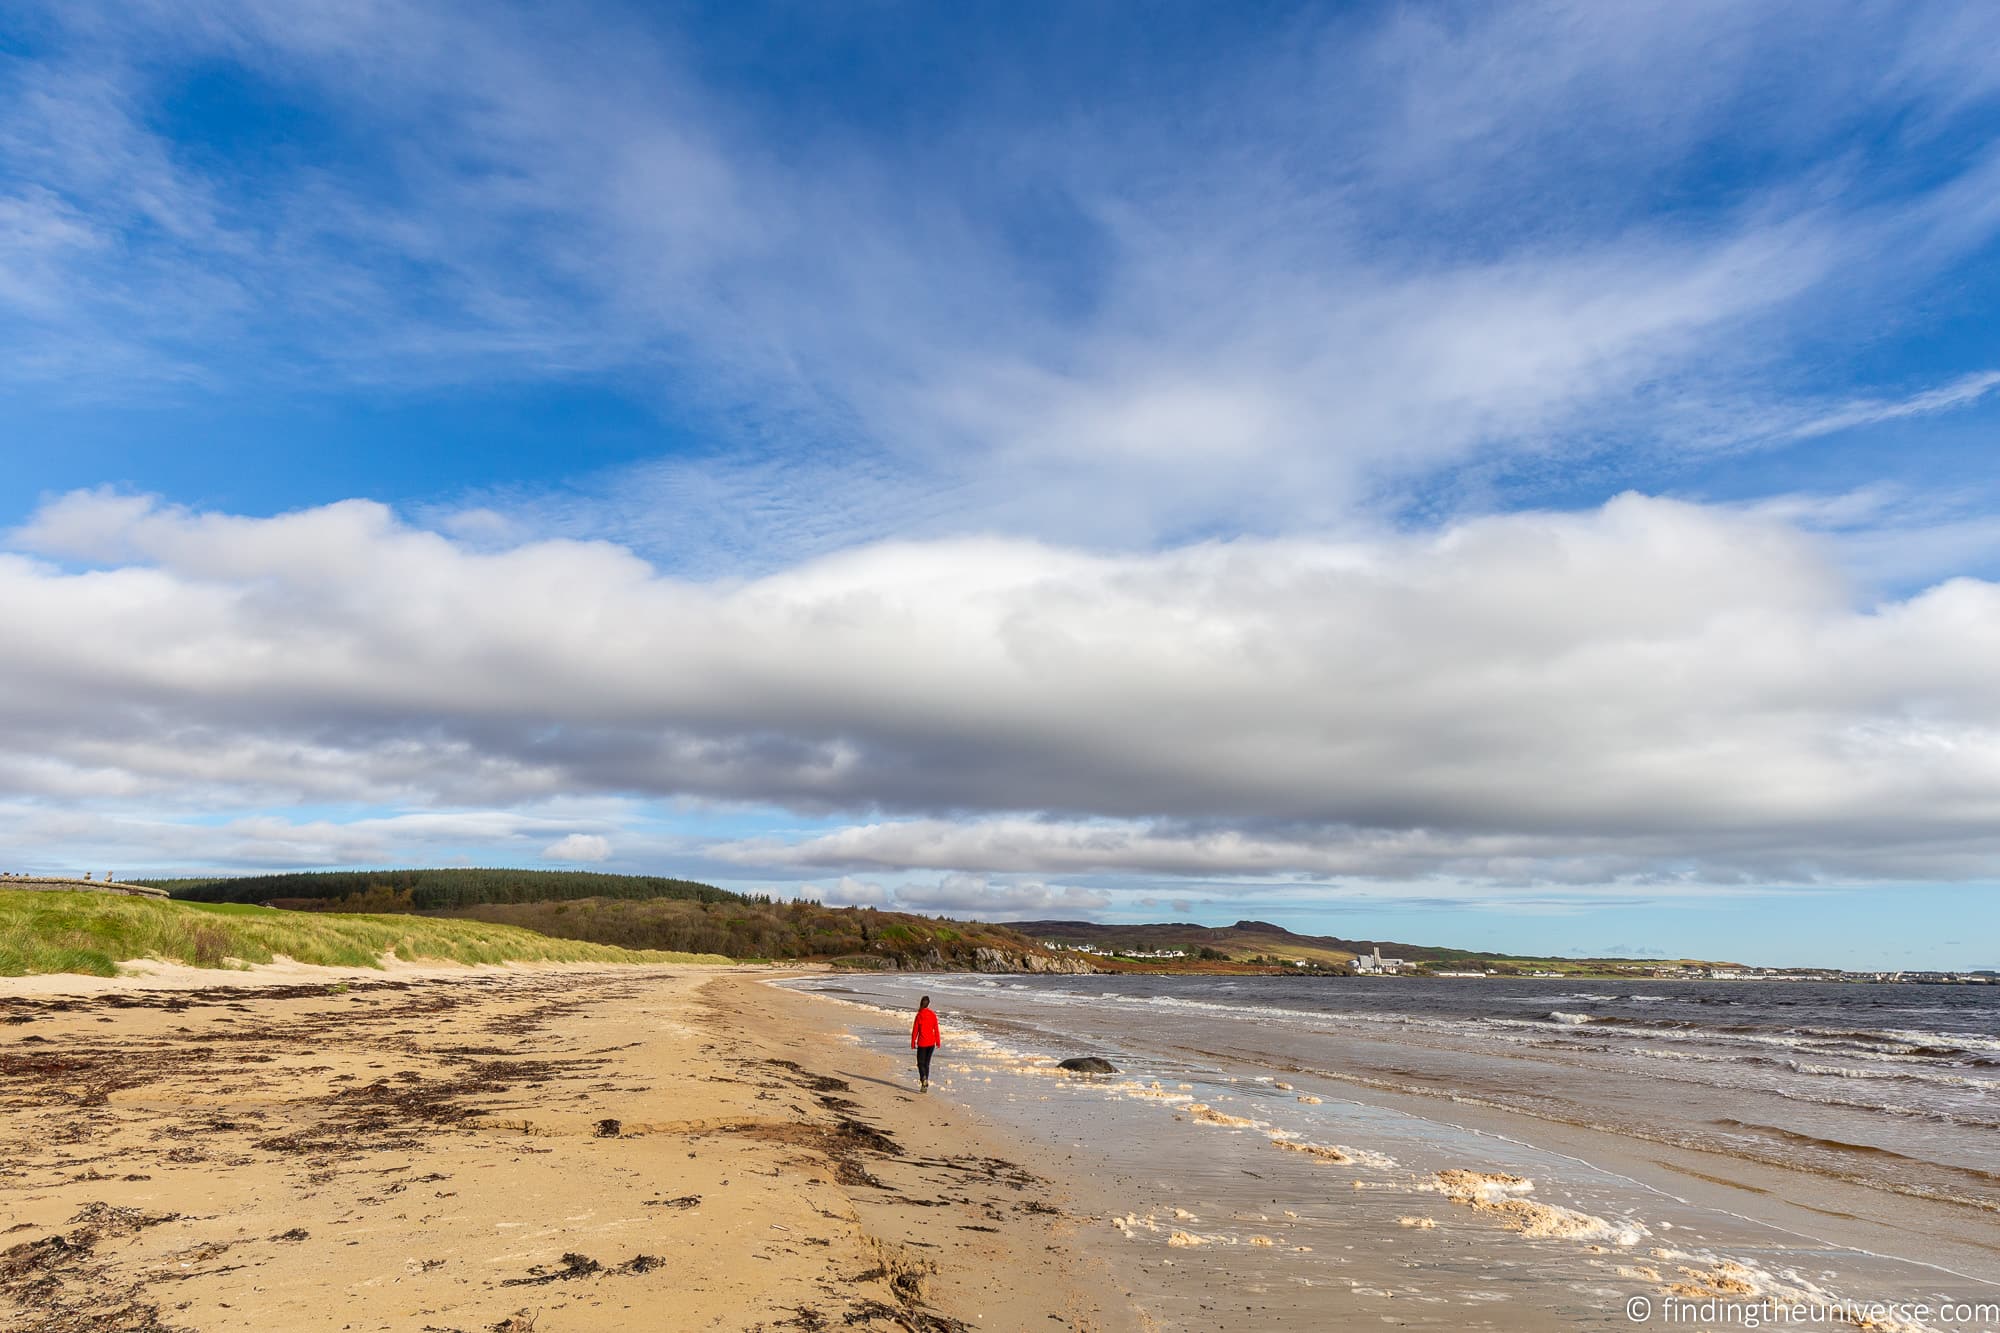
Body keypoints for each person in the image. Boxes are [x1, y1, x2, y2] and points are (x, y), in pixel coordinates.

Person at [910, 996, 941, 1092]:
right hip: (931, 1043)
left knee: (920, 1064)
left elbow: (915, 1030)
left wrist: (913, 1042)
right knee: (926, 1064)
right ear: (928, 1004)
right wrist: (938, 1042)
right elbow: (936, 1029)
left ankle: (923, 1078)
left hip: (922, 1043)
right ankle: (925, 1085)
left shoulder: (919, 1015)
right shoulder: (932, 1014)